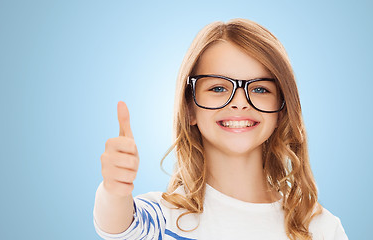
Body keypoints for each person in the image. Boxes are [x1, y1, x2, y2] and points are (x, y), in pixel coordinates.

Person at [93, 18, 349, 240]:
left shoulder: (320, 229)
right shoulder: (165, 219)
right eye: (218, 88)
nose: (239, 102)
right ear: (190, 108)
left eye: (260, 89)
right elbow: (117, 227)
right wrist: (114, 191)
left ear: (282, 109)